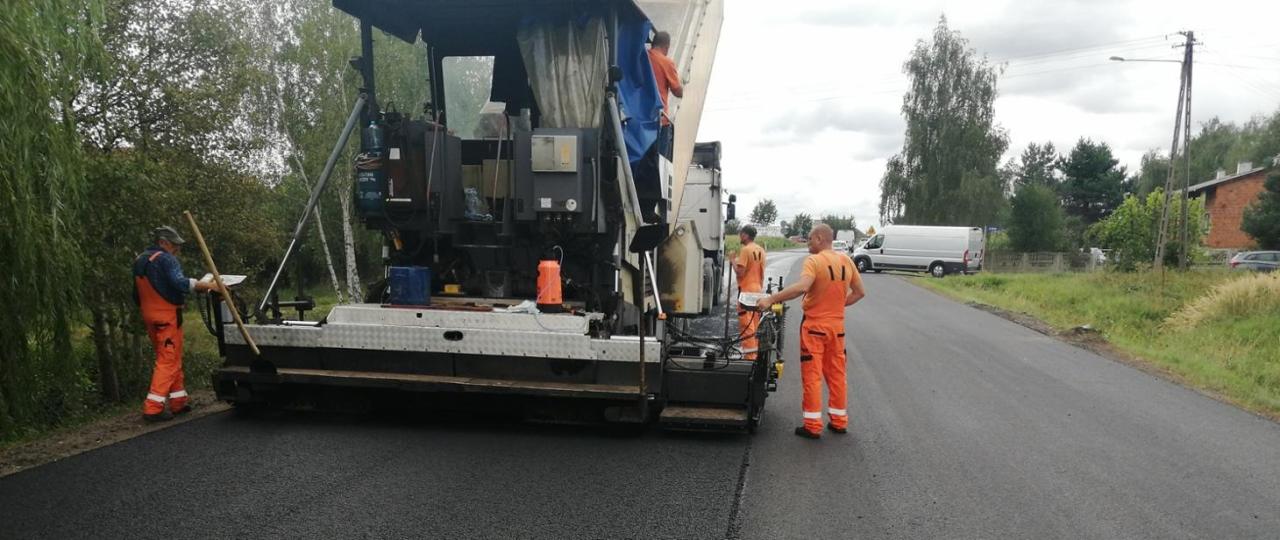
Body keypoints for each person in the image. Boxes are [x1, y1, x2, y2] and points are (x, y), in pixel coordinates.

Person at [757, 224, 865, 439]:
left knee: (812, 376)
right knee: (837, 375)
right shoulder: (846, 261)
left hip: (815, 328)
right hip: (837, 328)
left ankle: (812, 425)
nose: (807, 243)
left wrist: (771, 299)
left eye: (809, 239)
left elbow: (802, 287)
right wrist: (836, 306)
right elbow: (859, 292)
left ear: (819, 238)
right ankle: (839, 421)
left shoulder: (814, 261)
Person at [133, 225, 217, 422]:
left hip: (149, 316)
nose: (177, 249)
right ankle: (153, 408)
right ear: (162, 242)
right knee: (168, 361)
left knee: (171, 357)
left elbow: (135, 294)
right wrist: (208, 285)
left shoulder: (140, 260)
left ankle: (178, 402)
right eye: (174, 245)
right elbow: (179, 282)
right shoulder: (166, 259)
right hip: (167, 316)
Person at [648, 30, 683, 160]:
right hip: (660, 120)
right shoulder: (666, 62)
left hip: (640, 118)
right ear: (666, 47)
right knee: (659, 161)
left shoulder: (642, 57)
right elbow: (677, 91)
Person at [734, 225, 766, 360]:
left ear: (746, 235)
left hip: (746, 291)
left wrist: (732, 260)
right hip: (757, 289)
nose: (740, 236)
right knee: (755, 323)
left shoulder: (746, 250)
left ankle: (750, 357)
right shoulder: (761, 250)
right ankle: (755, 352)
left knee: (746, 324)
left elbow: (740, 272)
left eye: (741, 234)